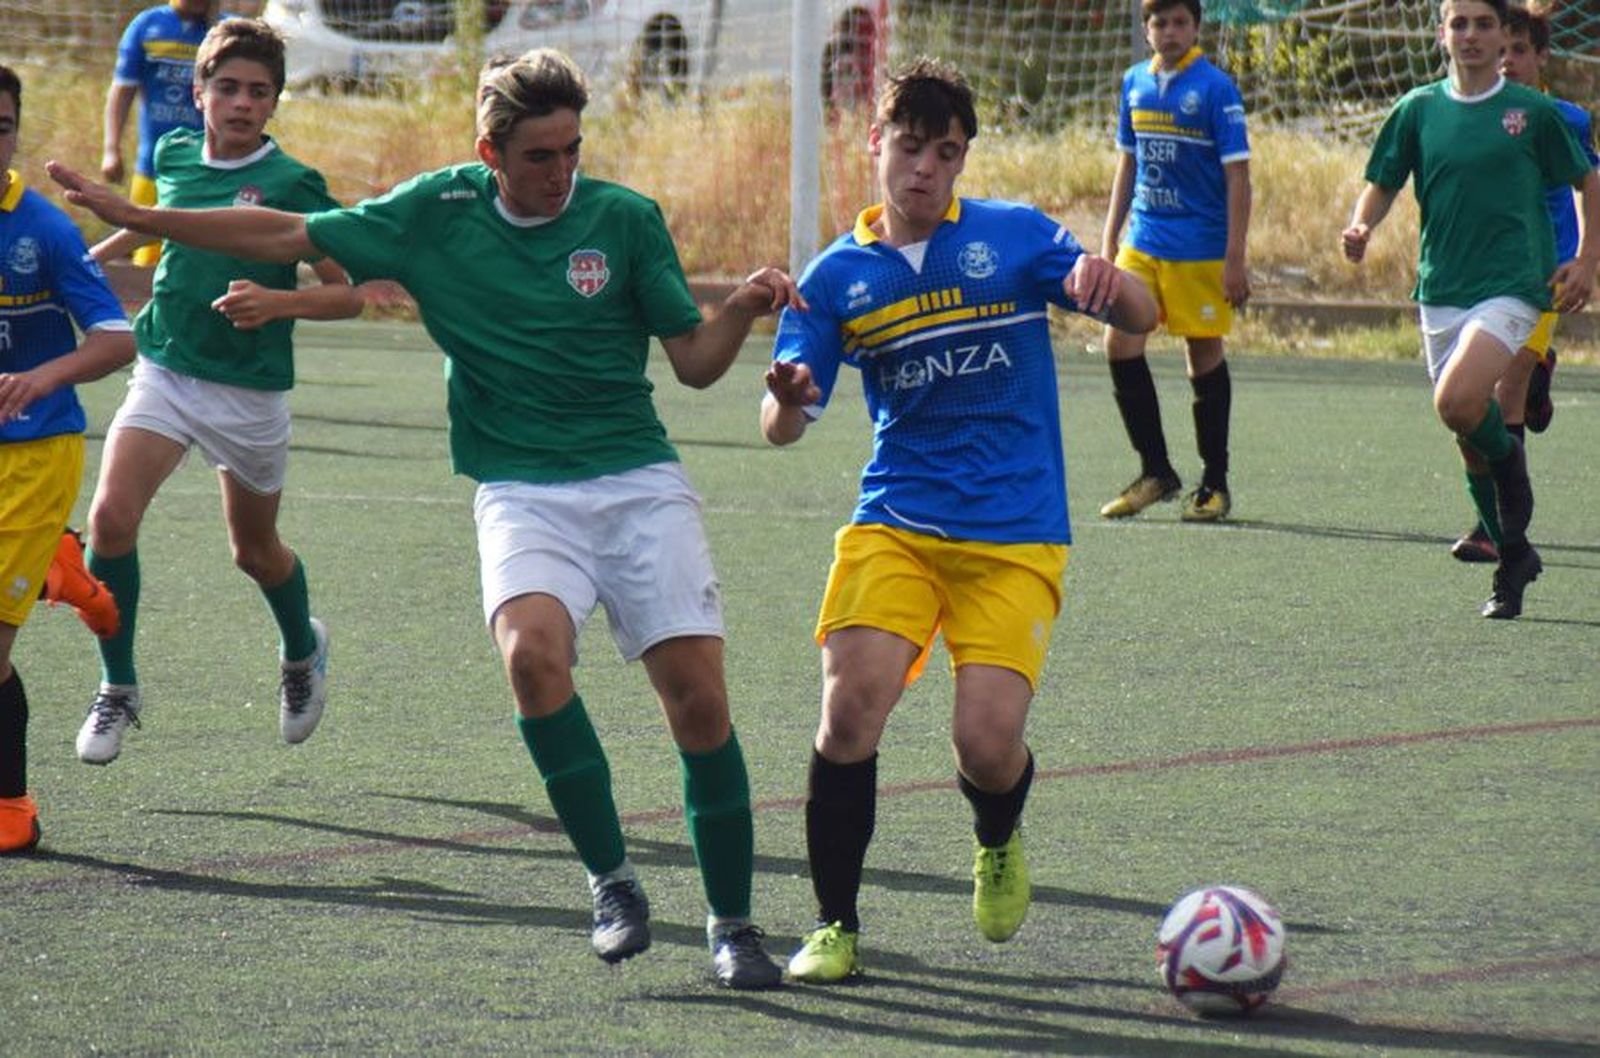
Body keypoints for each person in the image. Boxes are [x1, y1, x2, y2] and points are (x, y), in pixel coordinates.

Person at [51, 47, 802, 990]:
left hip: (637, 481)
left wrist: (736, 311)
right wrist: (133, 214)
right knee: (531, 658)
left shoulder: (624, 219)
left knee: (697, 702)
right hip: (520, 489)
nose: (561, 170)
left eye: (572, 149)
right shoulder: (432, 213)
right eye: (539, 155)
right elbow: (285, 232)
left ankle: (733, 924)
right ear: (490, 152)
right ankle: (612, 881)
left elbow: (693, 364)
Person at [761, 58, 1158, 982]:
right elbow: (782, 424)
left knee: (984, 745)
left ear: (962, 160)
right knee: (849, 704)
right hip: (897, 519)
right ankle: (834, 925)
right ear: (875, 146)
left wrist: (1113, 281)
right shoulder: (838, 279)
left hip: (1015, 532)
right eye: (909, 148)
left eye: (946, 153)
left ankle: (997, 833)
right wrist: (788, 396)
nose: (925, 170)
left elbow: (1145, 311)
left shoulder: (1015, 239)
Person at [72, 19, 362, 768]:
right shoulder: (172, 153)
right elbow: (165, 232)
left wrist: (279, 303)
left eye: (257, 92)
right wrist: (84, 256)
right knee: (108, 519)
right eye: (226, 87)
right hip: (166, 365)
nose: (240, 102)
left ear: (273, 105)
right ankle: (119, 685)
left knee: (255, 553)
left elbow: (348, 295)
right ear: (197, 93)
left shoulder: (295, 185)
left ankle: (302, 650)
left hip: (249, 391)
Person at [1342, 0, 1598, 619]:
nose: (1473, 35)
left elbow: (1589, 181)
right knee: (1466, 431)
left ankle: (1513, 476)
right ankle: (1513, 558)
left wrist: (1587, 261)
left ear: (1503, 36)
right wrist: (1360, 222)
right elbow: (1384, 178)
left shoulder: (1532, 113)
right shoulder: (1418, 110)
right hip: (1442, 288)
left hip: (1514, 285)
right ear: (1441, 35)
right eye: (1460, 23)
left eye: (1485, 25)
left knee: (1458, 402)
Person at [0, 64, 137, 854]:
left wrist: (41, 378)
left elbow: (118, 337)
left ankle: (12, 812)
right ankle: (62, 572)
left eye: (3, 124)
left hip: (34, 450)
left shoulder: (44, 231)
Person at [1450, 1, 1597, 564]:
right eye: (1501, 48)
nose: (1506, 60)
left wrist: (1585, 260)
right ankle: (1539, 372)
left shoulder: (1564, 119)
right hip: (1484, 275)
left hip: (1542, 274)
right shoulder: (1469, 115)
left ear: (1541, 56)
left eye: (1519, 50)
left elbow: (1589, 188)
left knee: (1499, 395)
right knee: (1471, 400)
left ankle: (1499, 528)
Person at [1098, 0, 1251, 523]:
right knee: (1118, 343)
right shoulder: (1134, 82)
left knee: (1202, 354)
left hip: (1201, 247)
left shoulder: (1216, 89)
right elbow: (1128, 160)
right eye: (1159, 22)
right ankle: (1156, 471)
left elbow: (1238, 178)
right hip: (1142, 239)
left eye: (1179, 22)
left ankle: (1215, 482)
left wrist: (1235, 257)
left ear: (1196, 27)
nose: (1169, 31)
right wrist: (1108, 238)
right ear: (1147, 29)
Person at [103, 0, 220, 268]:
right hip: (153, 168)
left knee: (199, 259)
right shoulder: (147, 25)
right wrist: (111, 148)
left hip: (210, 172)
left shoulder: (224, 30)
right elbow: (122, 90)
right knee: (148, 260)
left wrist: (214, 25)